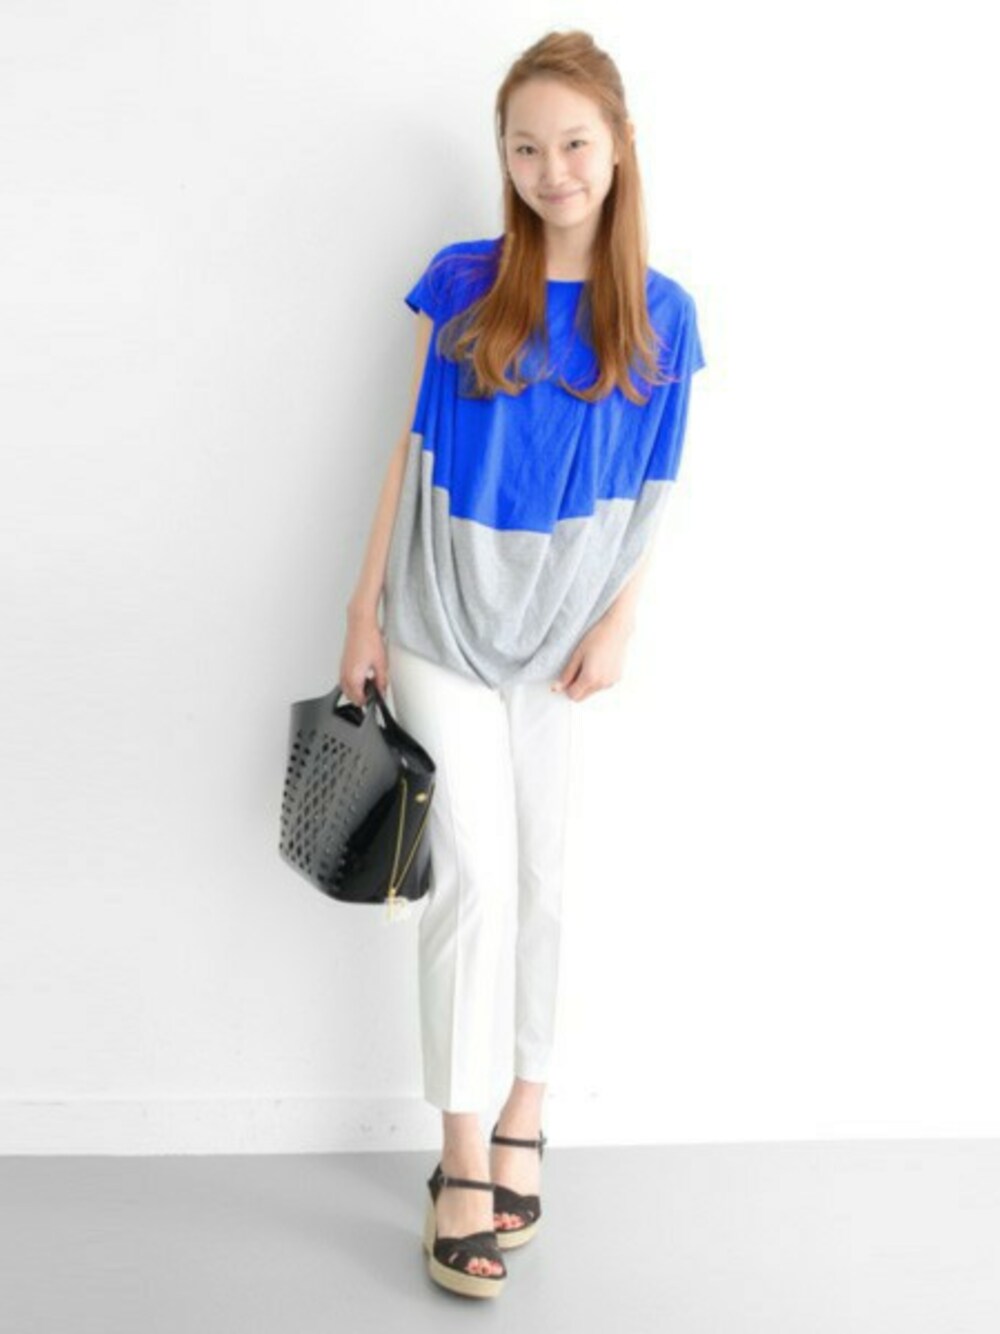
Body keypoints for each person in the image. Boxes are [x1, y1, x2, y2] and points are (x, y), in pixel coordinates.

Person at [338, 29, 705, 1299]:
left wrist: (621, 619)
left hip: (559, 633)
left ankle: (524, 1113)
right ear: (503, 157)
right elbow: (404, 447)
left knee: (546, 875)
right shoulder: (462, 281)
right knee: (476, 882)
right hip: (439, 613)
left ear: (619, 148)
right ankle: (456, 1160)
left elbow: (656, 484)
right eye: (527, 147)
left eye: (575, 144)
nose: (553, 170)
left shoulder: (661, 313)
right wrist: (362, 608)